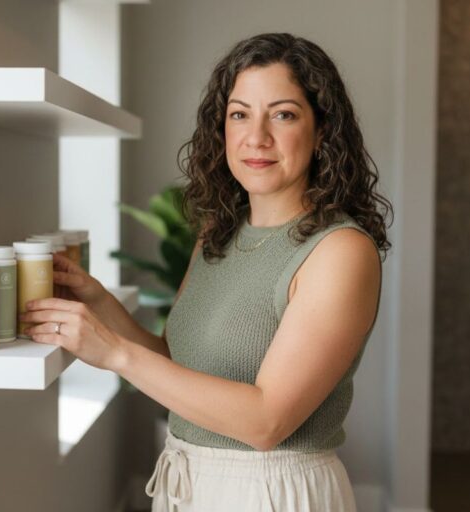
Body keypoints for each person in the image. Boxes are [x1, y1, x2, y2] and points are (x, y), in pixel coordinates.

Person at [20, 32, 392, 511]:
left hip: (272, 493)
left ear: (322, 131)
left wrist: (113, 354)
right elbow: (175, 364)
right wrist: (96, 300)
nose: (256, 137)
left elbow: (266, 422)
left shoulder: (339, 251)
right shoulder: (218, 232)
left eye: (283, 114)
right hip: (188, 482)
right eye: (239, 114)